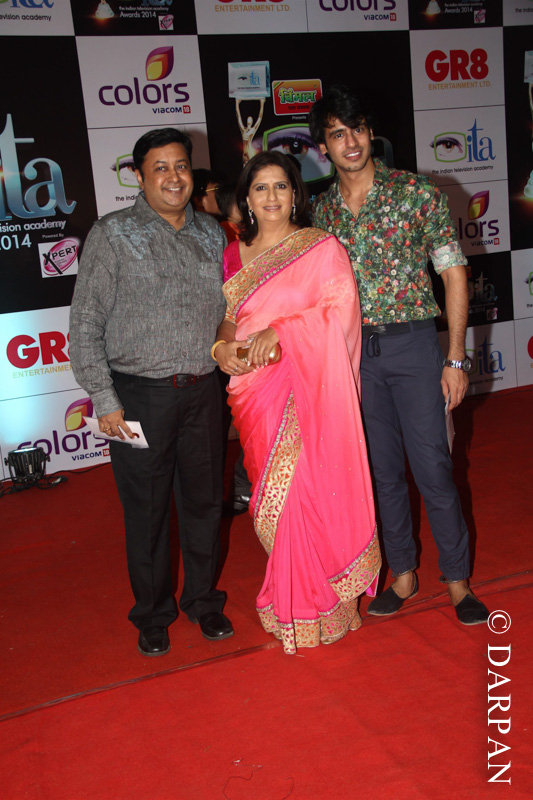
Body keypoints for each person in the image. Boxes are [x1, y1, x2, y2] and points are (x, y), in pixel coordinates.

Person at [309, 85, 489, 625]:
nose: (351, 142)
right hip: (355, 356)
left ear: (371, 133)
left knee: (434, 467)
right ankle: (403, 574)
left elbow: (453, 273)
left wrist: (454, 358)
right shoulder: (320, 212)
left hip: (413, 345)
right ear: (323, 146)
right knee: (382, 472)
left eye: (358, 129)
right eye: (337, 134)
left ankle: (457, 581)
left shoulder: (416, 193)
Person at [69, 128, 233, 657]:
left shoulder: (212, 233)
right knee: (147, 512)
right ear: (139, 177)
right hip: (138, 398)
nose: (173, 177)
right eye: (160, 168)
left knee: (205, 505)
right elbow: (85, 324)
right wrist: (105, 399)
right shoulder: (113, 234)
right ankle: (153, 613)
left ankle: (203, 601)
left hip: (203, 393)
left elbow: (230, 311)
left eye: (181, 165)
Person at [212, 151, 380, 655]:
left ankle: (318, 604)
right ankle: (296, 596)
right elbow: (230, 315)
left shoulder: (320, 248)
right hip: (252, 389)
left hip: (306, 388)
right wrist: (221, 346)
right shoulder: (233, 253)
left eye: (281, 186)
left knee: (306, 491)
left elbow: (340, 312)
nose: (271, 197)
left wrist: (283, 330)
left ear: (295, 194)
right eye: (260, 188)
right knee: (274, 498)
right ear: (246, 198)